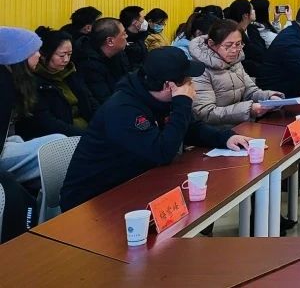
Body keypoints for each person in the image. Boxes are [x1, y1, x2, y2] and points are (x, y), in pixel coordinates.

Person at [60, 47, 252, 211]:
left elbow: (189, 128)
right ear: (169, 85)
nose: (191, 84)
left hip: (136, 182)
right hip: (92, 201)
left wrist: (224, 138)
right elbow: (162, 152)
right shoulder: (123, 110)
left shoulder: (156, 97)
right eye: (187, 80)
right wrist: (182, 103)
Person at [0, 27, 65, 189]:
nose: (39, 55)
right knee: (60, 145)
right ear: (18, 55)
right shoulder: (4, 86)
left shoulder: (12, 80)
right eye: (34, 51)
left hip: (7, 145)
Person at [190, 19, 283, 128]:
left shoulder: (235, 61)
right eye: (228, 45)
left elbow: (250, 91)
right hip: (215, 132)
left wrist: (269, 98)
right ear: (211, 44)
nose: (234, 50)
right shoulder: (199, 70)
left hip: (242, 126)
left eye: (238, 44)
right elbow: (205, 112)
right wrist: (249, 109)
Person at [22, 28, 98, 138]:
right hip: (62, 138)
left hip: (88, 130)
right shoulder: (34, 82)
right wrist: (85, 136)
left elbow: (90, 100)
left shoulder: (71, 73)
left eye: (69, 54)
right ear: (44, 55)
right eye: (62, 55)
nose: (66, 60)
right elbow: (47, 122)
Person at [73, 17, 131, 103]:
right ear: (110, 41)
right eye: (124, 34)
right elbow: (105, 100)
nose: (127, 36)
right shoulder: (89, 65)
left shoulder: (118, 54)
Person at [224, 0, 267, 78]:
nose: (254, 11)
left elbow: (263, 49)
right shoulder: (231, 33)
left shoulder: (252, 29)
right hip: (244, 74)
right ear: (245, 15)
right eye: (252, 9)